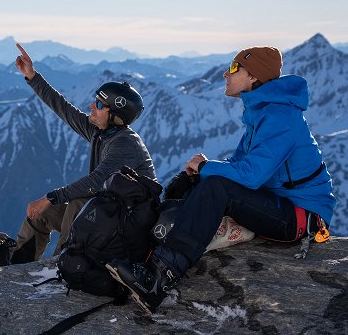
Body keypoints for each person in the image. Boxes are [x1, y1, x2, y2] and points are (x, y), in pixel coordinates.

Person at [107, 46, 336, 313]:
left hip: (303, 217)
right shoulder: (263, 112)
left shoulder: (280, 117)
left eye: (234, 68)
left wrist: (208, 168)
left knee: (216, 184)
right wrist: (203, 170)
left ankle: (158, 278)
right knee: (197, 181)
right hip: (278, 203)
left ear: (253, 77)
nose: (226, 74)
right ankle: (147, 254)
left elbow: (251, 175)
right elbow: (241, 164)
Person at [10, 43, 157, 263]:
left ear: (114, 114)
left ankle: (63, 264)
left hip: (127, 227)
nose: (91, 105)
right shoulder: (102, 132)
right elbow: (63, 108)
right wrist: (32, 76)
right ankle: (17, 266)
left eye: (99, 104)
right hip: (104, 218)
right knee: (42, 214)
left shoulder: (125, 144)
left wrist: (50, 197)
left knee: (80, 202)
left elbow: (95, 182)